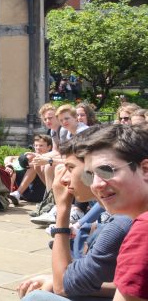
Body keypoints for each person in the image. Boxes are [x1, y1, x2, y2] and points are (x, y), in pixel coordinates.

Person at [16, 130, 133, 300]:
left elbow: (62, 286)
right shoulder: (122, 215)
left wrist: (62, 209)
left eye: (70, 168)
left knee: (36, 298)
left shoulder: (122, 222)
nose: (63, 179)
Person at [73, 123, 148, 301]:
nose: (96, 184)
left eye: (107, 171)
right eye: (89, 175)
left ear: (145, 170)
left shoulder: (143, 230)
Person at [7, 134, 52, 205]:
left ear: (49, 147)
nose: (37, 148)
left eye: (41, 145)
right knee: (12, 168)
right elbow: (8, 158)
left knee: (34, 165)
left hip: (41, 194)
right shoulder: (31, 156)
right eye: (36, 145)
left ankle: (17, 193)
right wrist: (9, 165)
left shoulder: (50, 160)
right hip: (26, 194)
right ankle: (9, 194)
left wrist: (37, 165)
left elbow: (49, 185)